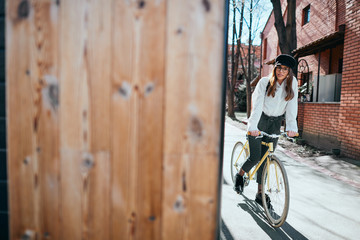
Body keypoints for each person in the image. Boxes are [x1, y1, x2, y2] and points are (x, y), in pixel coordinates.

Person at [233, 54, 298, 207]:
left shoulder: (292, 83)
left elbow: (292, 105)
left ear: (289, 71)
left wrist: (291, 127)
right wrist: (253, 126)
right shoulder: (265, 82)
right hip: (260, 119)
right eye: (279, 68)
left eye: (285, 69)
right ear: (275, 68)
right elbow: (257, 106)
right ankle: (240, 175)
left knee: (266, 159)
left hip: (275, 123)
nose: (281, 71)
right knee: (255, 157)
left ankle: (260, 193)